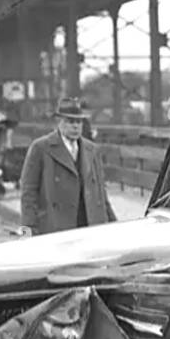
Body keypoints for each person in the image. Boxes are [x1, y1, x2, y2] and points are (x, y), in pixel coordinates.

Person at [19, 96, 116, 235]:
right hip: (56, 228)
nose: (75, 126)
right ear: (59, 122)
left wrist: (114, 226)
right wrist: (27, 232)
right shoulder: (41, 148)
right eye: (70, 121)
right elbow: (28, 193)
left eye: (79, 122)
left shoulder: (92, 150)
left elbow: (101, 196)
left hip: (90, 226)